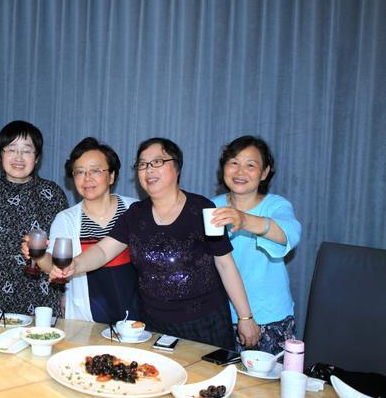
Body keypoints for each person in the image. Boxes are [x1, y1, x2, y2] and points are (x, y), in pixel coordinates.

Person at [50, 137, 260, 349]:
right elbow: (103, 252)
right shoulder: (135, 214)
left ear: (176, 167)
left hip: (205, 324)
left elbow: (225, 264)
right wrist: (74, 264)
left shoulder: (202, 208)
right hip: (154, 327)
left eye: (157, 162)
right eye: (142, 164)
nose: (149, 170)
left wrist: (245, 317)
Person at [0, 121, 68, 314]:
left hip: (42, 296)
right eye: (11, 149)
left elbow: (63, 252)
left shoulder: (53, 194)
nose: (19, 157)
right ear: (1, 155)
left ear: (37, 157)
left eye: (27, 151)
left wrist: (65, 293)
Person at [23, 137, 140, 323]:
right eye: (80, 172)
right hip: (86, 320)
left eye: (96, 170)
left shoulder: (135, 210)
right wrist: (39, 255)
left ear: (111, 176)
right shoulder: (66, 219)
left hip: (136, 319)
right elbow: (54, 266)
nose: (87, 178)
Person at [210, 136, 302, 354]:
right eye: (234, 162)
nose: (240, 171)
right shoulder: (212, 207)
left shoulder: (276, 205)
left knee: (270, 377)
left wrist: (244, 220)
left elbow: (289, 233)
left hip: (268, 317)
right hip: (221, 315)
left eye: (250, 165)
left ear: (264, 172)